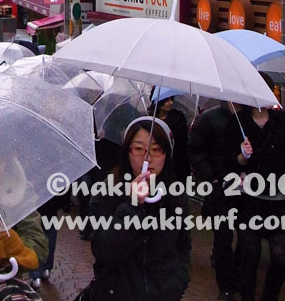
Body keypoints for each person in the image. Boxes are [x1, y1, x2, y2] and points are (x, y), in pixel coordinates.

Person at [84, 117, 190, 301]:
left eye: (156, 150)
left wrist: (178, 282)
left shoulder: (176, 196)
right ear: (127, 152)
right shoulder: (107, 191)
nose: (147, 158)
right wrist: (131, 205)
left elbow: (183, 247)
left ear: (167, 154)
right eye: (139, 149)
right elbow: (102, 250)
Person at [225, 81, 285, 301]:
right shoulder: (237, 124)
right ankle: (247, 296)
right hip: (249, 200)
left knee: (280, 257)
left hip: (278, 199)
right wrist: (242, 157)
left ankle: (270, 296)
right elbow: (228, 162)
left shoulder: (283, 122)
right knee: (250, 254)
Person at [188, 102, 240, 300]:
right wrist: (210, 176)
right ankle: (225, 285)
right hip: (219, 189)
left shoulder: (249, 119)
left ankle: (238, 276)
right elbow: (195, 149)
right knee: (223, 236)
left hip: (246, 188)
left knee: (246, 237)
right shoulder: (210, 119)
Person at [151, 91, 191, 180]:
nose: (171, 103)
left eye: (171, 99)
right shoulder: (149, 118)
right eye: (167, 100)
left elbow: (182, 143)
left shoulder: (178, 118)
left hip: (176, 162)